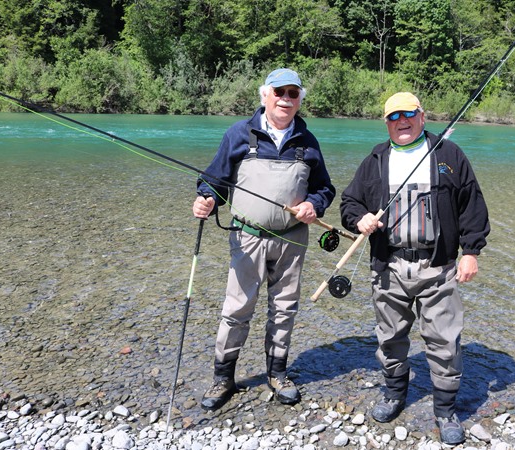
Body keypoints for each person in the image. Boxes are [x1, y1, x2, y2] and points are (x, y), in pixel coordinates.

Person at [339, 92, 490, 445]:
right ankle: (394, 393)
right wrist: (359, 219)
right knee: (390, 337)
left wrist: (471, 251)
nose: (401, 121)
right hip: (388, 265)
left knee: (445, 341)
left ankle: (446, 410)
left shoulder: (448, 155)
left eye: (408, 114)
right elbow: (349, 202)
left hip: (438, 267)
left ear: (422, 116)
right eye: (394, 117)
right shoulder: (376, 159)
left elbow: (472, 205)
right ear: (386, 123)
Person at [192, 68, 335, 411]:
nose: (285, 99)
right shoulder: (239, 134)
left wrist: (313, 206)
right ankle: (223, 376)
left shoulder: (308, 141)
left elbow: (325, 189)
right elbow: (215, 180)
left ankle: (278, 373)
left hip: (293, 239)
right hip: (248, 239)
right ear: (264, 95)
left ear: (299, 99)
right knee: (237, 309)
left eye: (293, 93)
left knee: (284, 310)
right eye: (279, 92)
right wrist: (207, 199)